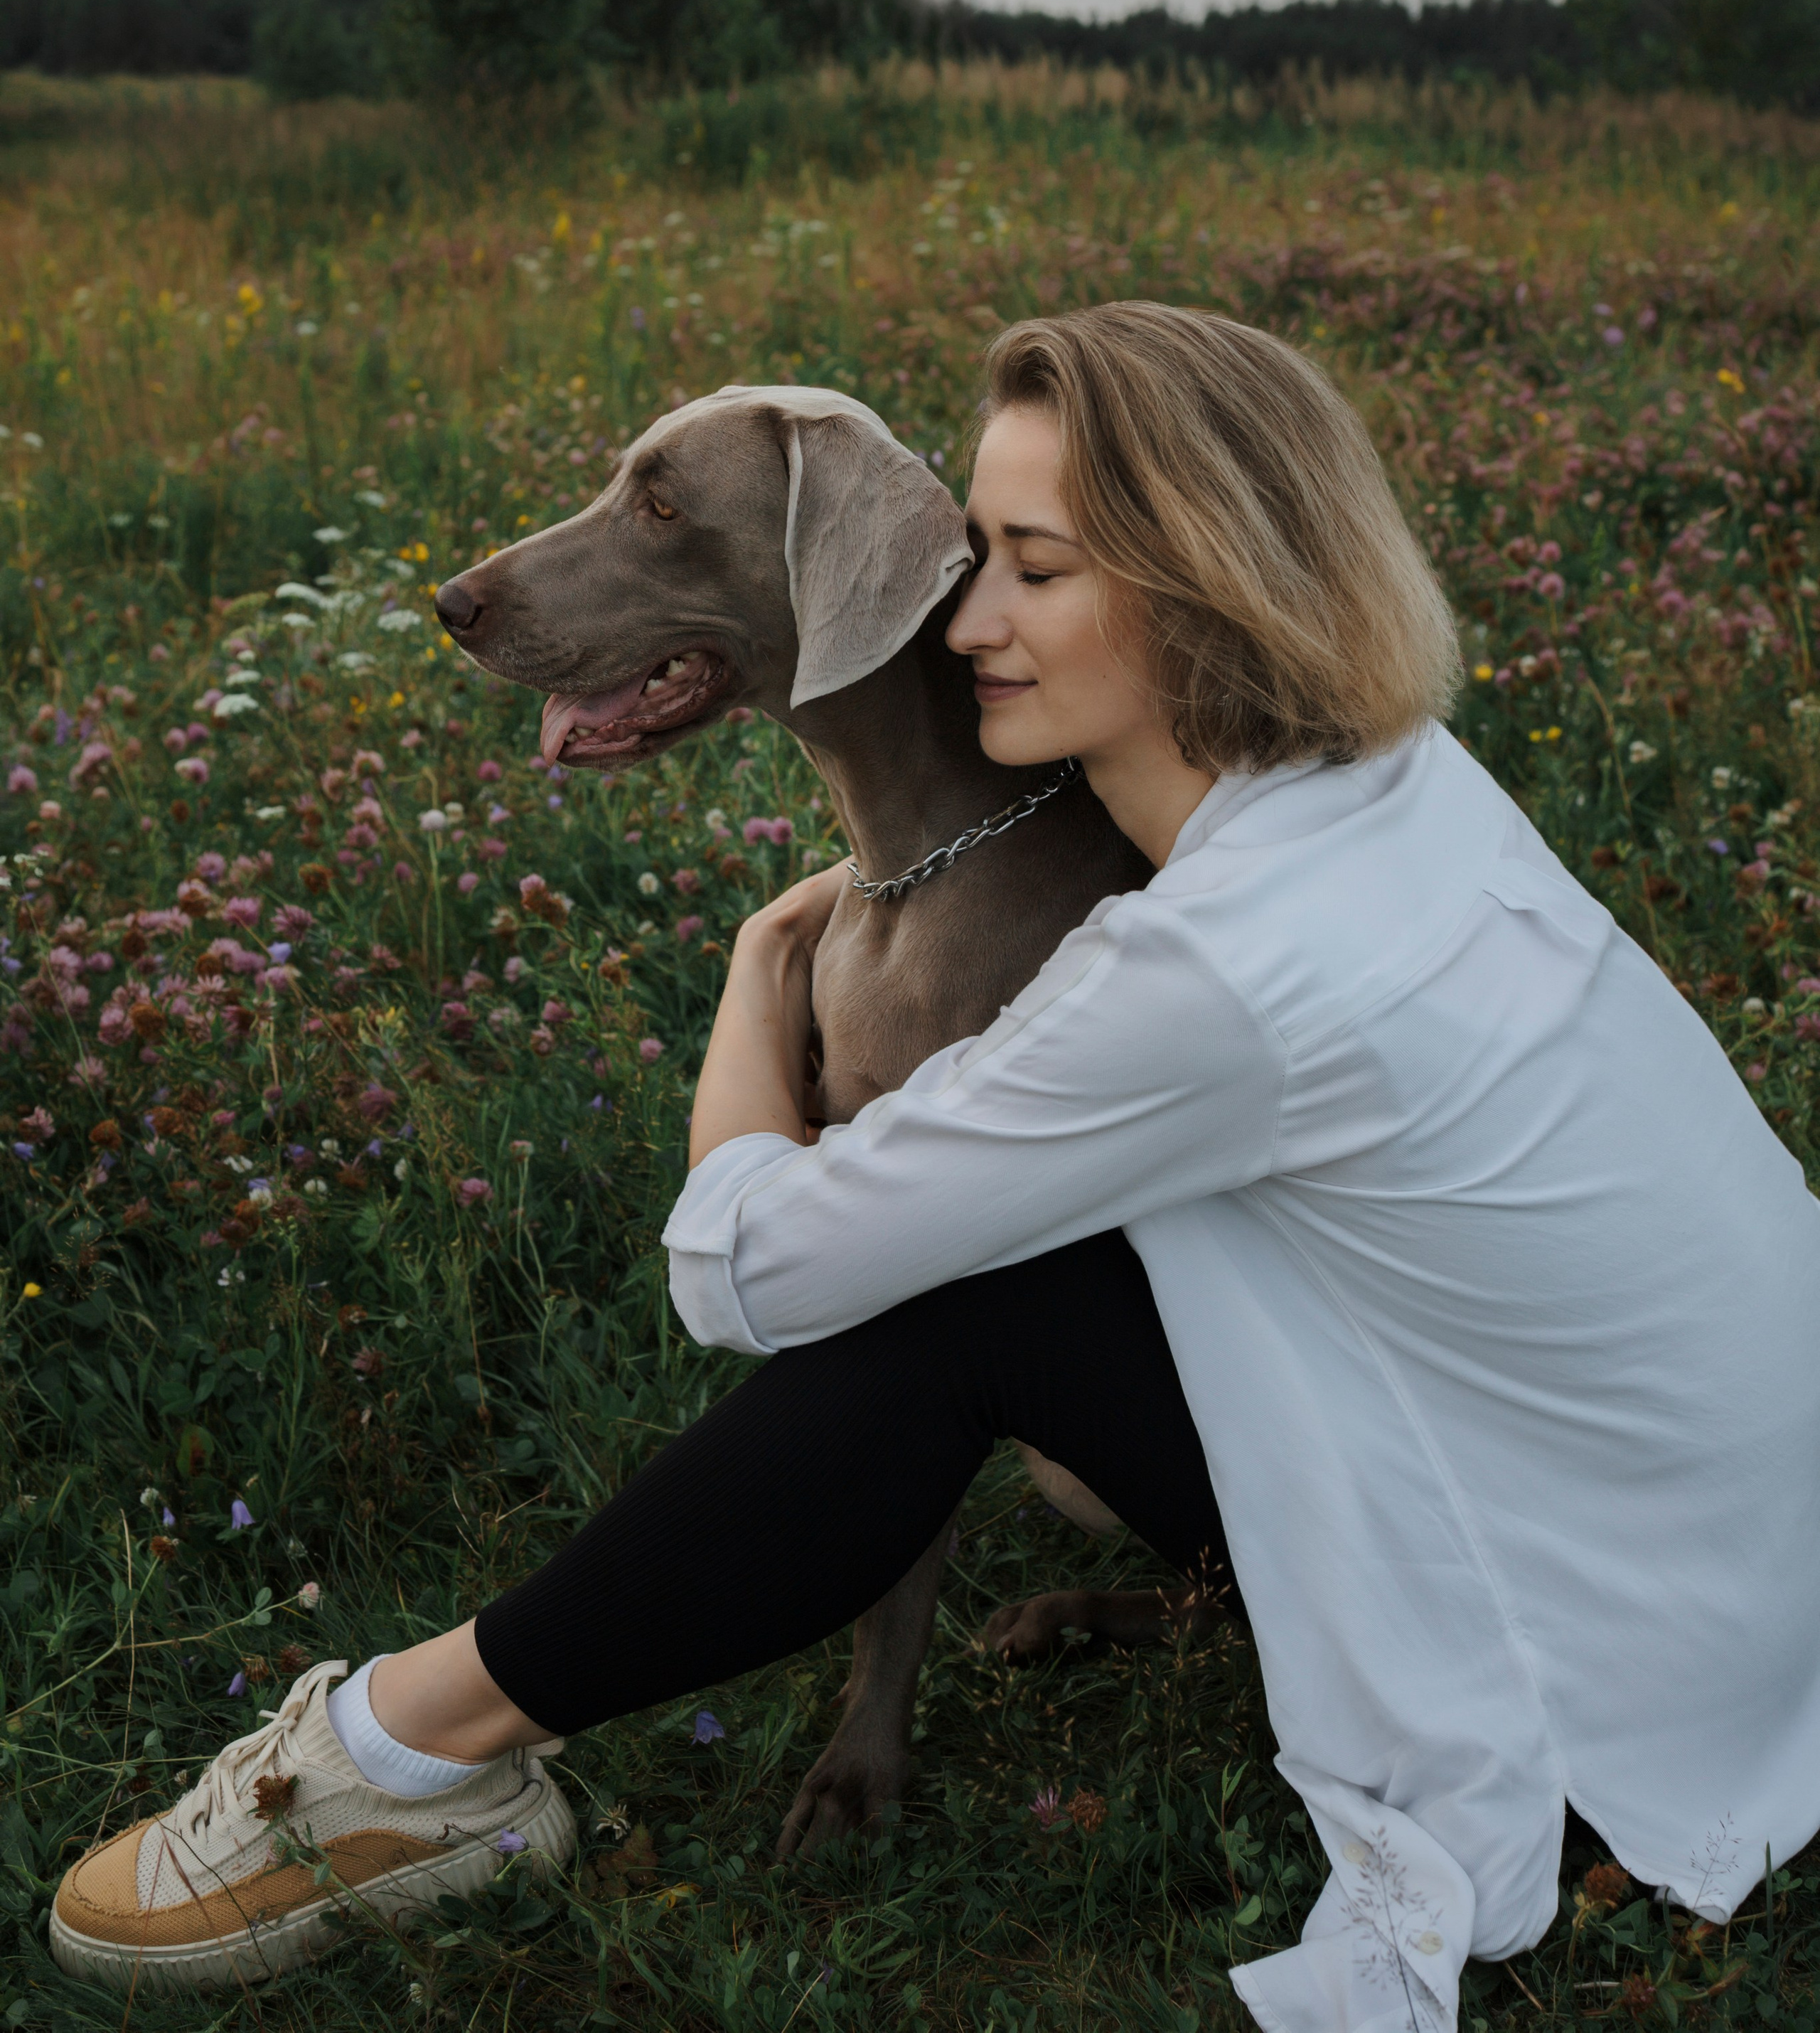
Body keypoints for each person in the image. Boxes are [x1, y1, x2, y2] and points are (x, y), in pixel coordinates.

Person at [53, 304, 1820, 2033]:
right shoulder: (1391, 779)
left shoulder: (1210, 967)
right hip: (1734, 1551)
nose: (957, 611)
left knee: (952, 1305)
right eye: (975, 550)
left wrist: (759, 972)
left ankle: (395, 1759)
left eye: (1032, 571)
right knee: (1008, 1277)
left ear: (1206, 589)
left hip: (1604, 1680)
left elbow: (743, 1269)